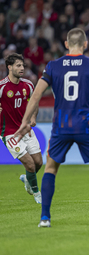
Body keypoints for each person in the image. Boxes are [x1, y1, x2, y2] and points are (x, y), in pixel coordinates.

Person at [15, 28, 89, 228]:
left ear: (66, 45)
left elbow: (36, 96)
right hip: (86, 126)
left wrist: (25, 120)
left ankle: (45, 218)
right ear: (85, 45)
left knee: (51, 169)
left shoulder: (53, 66)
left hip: (61, 126)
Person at [0, 53, 42, 203]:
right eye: (18, 65)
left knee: (38, 163)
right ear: (9, 67)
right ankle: (37, 194)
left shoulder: (28, 85)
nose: (22, 68)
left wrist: (33, 118)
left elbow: (34, 102)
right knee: (30, 164)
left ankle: (27, 179)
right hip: (9, 133)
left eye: (22, 65)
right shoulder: (2, 87)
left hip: (26, 130)